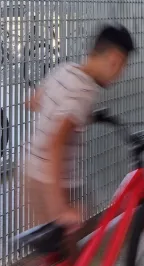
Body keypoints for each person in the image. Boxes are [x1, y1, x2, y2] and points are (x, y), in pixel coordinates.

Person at [25, 24, 134, 243]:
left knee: (57, 259)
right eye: (122, 66)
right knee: (79, 240)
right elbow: (55, 143)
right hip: (55, 182)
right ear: (114, 59)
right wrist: (60, 208)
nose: (119, 75)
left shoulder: (65, 69)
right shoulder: (83, 91)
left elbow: (33, 101)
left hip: (30, 172)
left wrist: (77, 117)